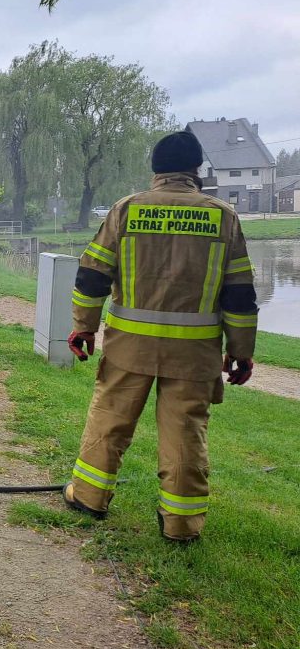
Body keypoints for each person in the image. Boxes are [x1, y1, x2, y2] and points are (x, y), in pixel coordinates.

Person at [63, 131, 259, 543]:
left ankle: (88, 497)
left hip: (128, 348)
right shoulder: (223, 216)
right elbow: (240, 294)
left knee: (110, 419)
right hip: (194, 354)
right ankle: (181, 524)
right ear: (197, 170)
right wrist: (241, 352)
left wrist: (84, 325)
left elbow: (92, 275)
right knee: (185, 432)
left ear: (155, 169)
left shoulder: (127, 210)